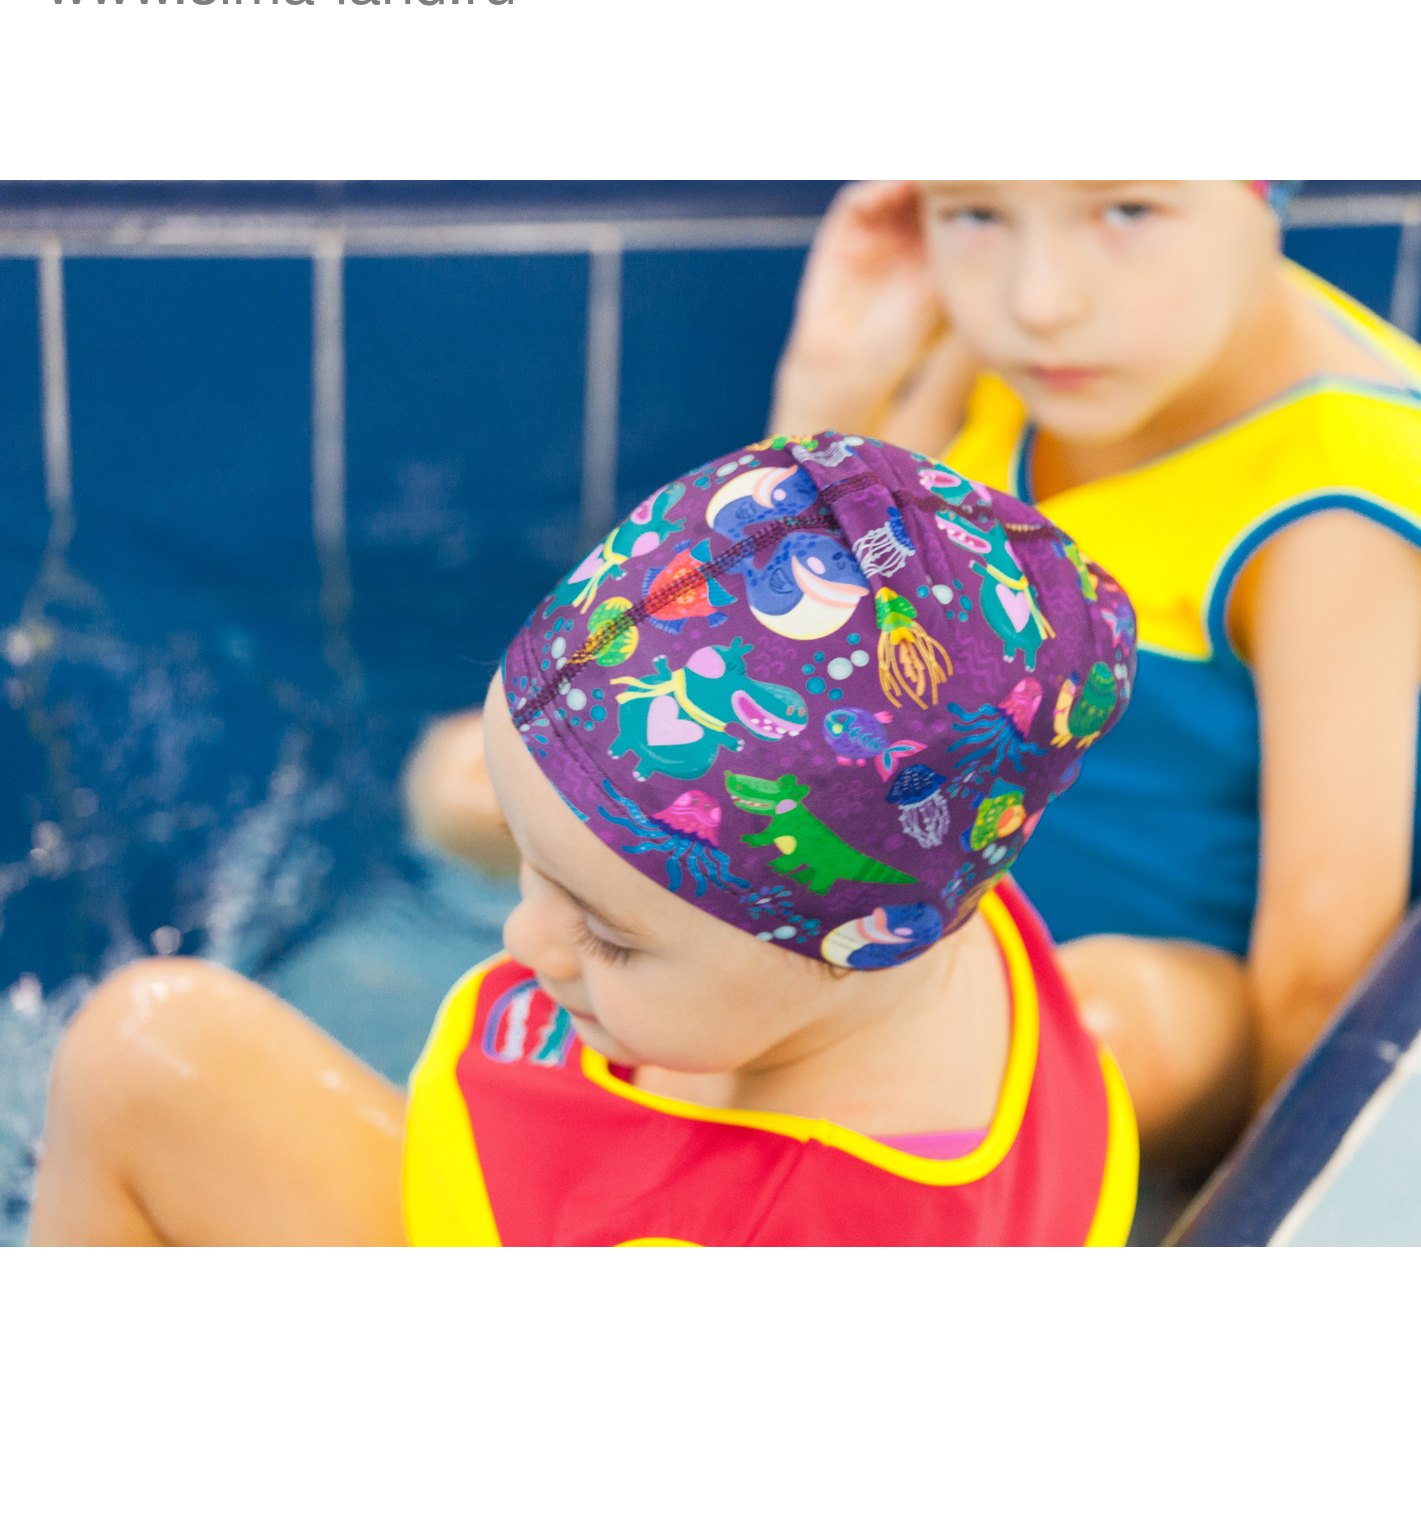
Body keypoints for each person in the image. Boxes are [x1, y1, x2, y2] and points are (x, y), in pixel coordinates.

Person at [30, 432, 1138, 1246]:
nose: (525, 939)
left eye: (608, 936)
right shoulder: (932, 888)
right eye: (526, 854)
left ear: (872, 938)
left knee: (137, 1051)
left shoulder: (746, 1237)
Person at [768, 180, 1421, 1174]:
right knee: (595, 813)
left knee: (1077, 1027)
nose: (1038, 299)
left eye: (1129, 212)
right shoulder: (1038, 352)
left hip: (1194, 985)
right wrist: (831, 382)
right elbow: (792, 647)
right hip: (976, 863)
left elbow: (1320, 973)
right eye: (975, 213)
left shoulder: (1338, 517)